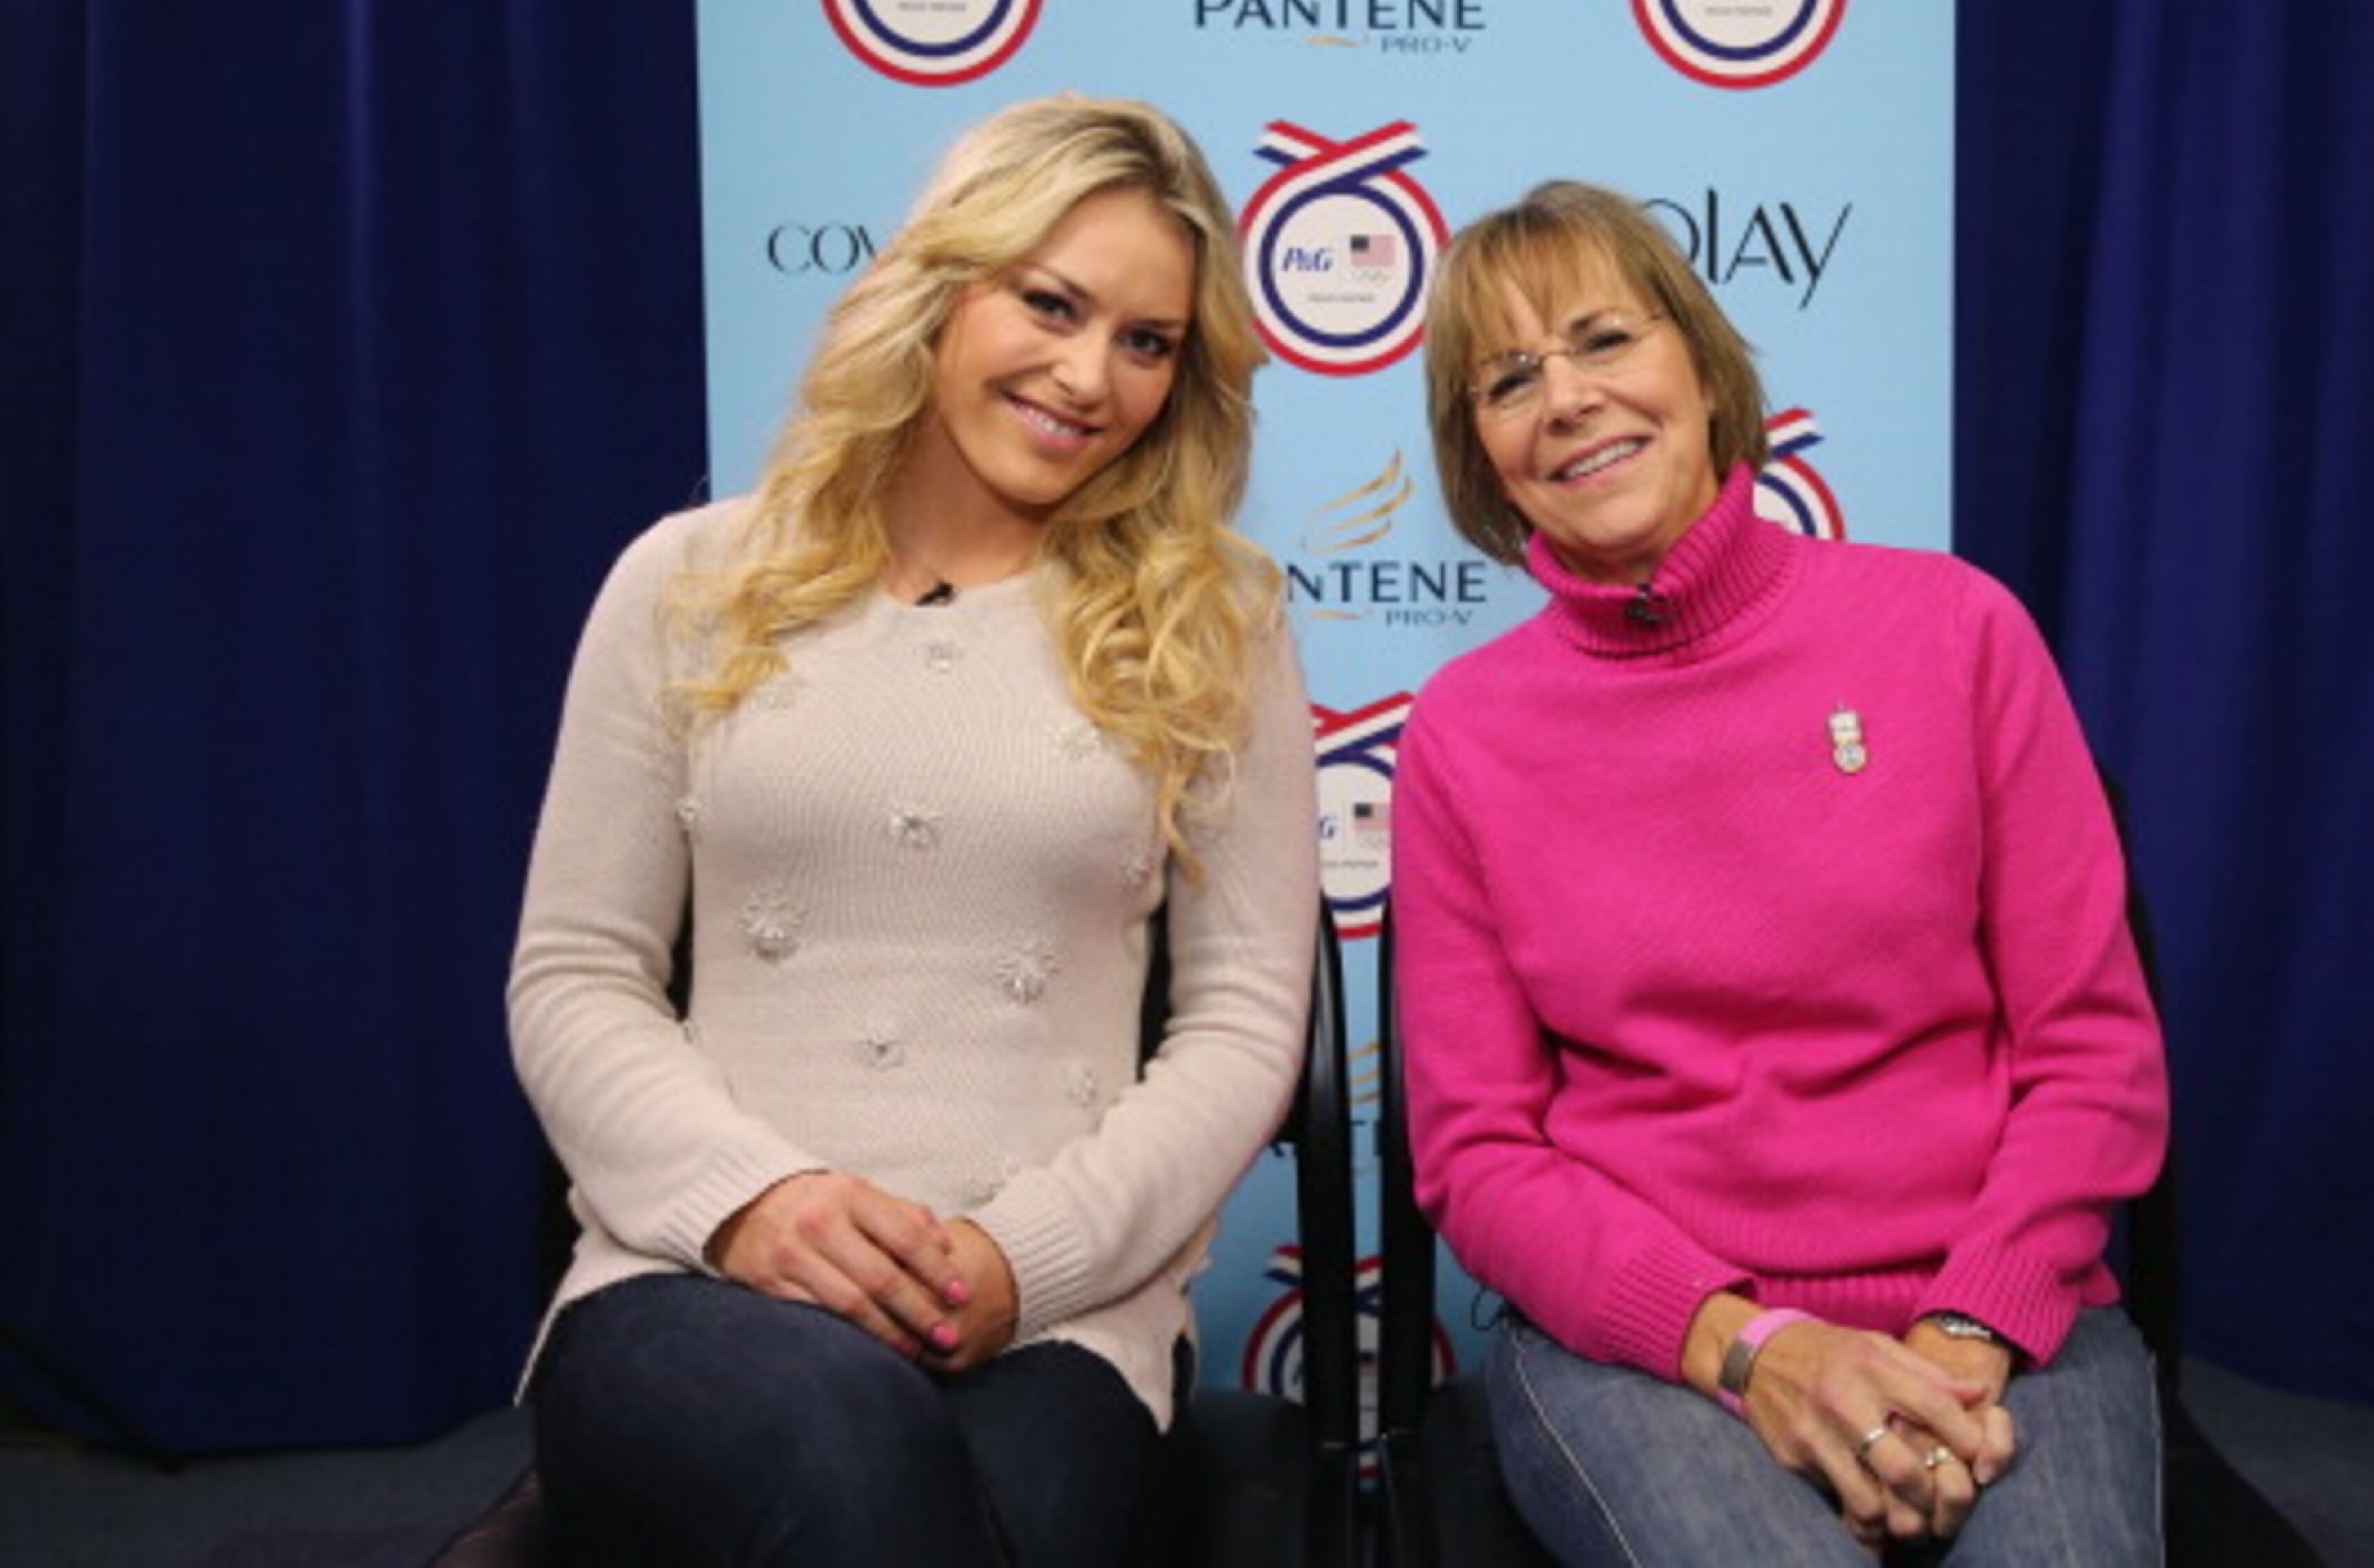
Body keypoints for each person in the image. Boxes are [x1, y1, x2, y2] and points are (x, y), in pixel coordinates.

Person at [506, 94, 1320, 1567]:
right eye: (1052, 303)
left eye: (1148, 342)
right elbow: (575, 972)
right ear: (947, 284)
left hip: (1055, 1308)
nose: (1091, 376)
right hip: (693, 1281)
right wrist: (755, 1200)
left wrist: (1027, 1256)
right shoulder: (687, 579)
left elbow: (1247, 1020)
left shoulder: (1220, 618)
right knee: (850, 1448)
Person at [1390, 181, 2171, 1565]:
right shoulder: (1465, 732)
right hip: (1646, 1338)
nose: (1566, 398)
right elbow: (1481, 1152)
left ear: (1699, 361)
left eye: (1603, 340)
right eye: (1509, 378)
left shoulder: (1957, 629)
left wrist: (1963, 1329)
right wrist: (1756, 1347)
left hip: (2004, 1312)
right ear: (1484, 455)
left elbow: (2094, 1054)